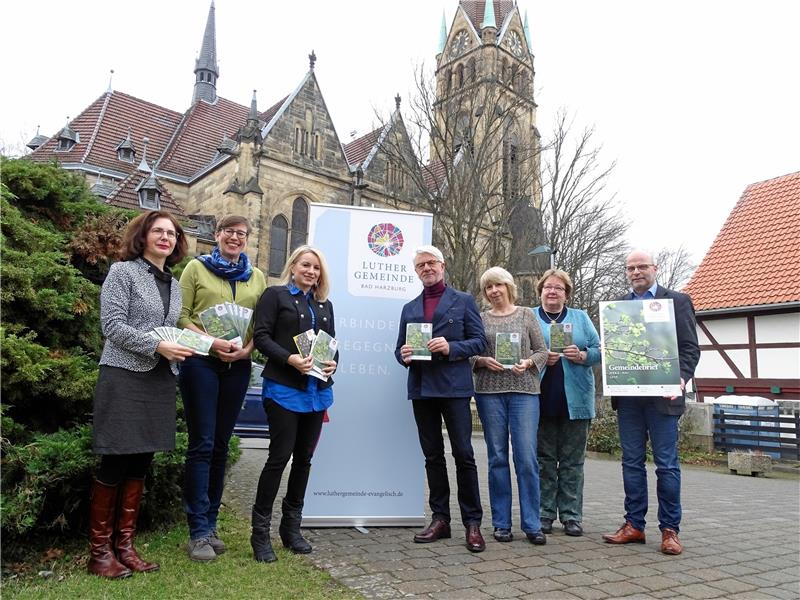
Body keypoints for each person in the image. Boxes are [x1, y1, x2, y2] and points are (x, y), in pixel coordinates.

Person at [88, 210, 192, 578]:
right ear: (143, 236)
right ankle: (100, 553)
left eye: (172, 233)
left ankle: (125, 547)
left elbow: (169, 330)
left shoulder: (175, 284)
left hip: (159, 379)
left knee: (141, 462)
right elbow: (112, 326)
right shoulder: (123, 272)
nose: (166, 237)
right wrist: (157, 346)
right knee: (116, 459)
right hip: (123, 374)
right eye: (158, 231)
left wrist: (190, 345)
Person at [178, 216, 267, 561]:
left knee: (220, 445)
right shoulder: (196, 269)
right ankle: (197, 530)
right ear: (217, 236)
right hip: (201, 361)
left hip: (238, 365)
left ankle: (211, 523)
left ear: (247, 239)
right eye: (228, 232)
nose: (234, 238)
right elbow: (181, 316)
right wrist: (212, 341)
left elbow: (260, 323)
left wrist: (249, 350)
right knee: (201, 444)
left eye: (241, 234)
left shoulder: (256, 277)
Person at [602, 250, 700, 555]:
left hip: (663, 398)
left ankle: (670, 530)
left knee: (666, 466)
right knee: (631, 463)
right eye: (630, 268)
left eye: (642, 266)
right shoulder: (618, 307)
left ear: (654, 269)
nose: (636, 272)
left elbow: (689, 349)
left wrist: (681, 378)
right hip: (629, 399)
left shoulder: (678, 301)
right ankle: (634, 525)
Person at [395, 245, 488, 552]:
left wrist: (451, 348)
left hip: (454, 388)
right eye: (421, 265)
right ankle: (440, 519)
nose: (427, 268)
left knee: (464, 454)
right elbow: (399, 350)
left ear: (443, 265)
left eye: (431, 263)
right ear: (416, 270)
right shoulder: (409, 308)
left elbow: (479, 342)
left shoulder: (463, 301)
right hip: (422, 388)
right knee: (432, 455)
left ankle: (472, 523)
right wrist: (404, 356)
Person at [249, 245, 337, 563]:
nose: (311, 271)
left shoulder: (324, 305)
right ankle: (260, 534)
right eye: (306, 265)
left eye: (316, 267)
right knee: (279, 458)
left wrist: (332, 364)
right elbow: (261, 337)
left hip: (317, 393)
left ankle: (291, 529)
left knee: (303, 460)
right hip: (284, 390)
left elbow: (332, 346)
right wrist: (290, 359)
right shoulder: (275, 296)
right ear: (293, 266)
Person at [473, 267, 549, 545]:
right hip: (489, 393)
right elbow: (469, 354)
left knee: (527, 458)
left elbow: (542, 351)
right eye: (488, 288)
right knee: (496, 458)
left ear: (508, 286)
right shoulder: (480, 319)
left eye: (497, 286)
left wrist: (528, 362)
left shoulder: (527, 314)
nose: (493, 292)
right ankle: (501, 523)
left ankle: (532, 523)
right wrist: (481, 361)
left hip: (524, 392)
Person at [533, 269, 601, 538]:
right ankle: (545, 514)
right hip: (539, 400)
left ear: (566, 293)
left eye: (558, 288)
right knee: (544, 461)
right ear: (540, 291)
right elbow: (516, 350)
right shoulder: (529, 316)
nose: (552, 292)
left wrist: (582, 355)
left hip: (576, 401)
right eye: (548, 287)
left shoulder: (581, 318)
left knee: (573, 462)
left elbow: (599, 350)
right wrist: (539, 357)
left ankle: (572, 516)